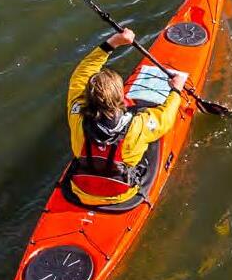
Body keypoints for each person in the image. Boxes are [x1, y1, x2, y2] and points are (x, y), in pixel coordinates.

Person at [65, 26, 188, 206]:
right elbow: (166, 117)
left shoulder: (76, 113)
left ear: (88, 97)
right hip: (122, 195)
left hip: (80, 190)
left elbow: (81, 73)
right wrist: (176, 90)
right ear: (120, 97)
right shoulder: (139, 125)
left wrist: (113, 42)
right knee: (152, 139)